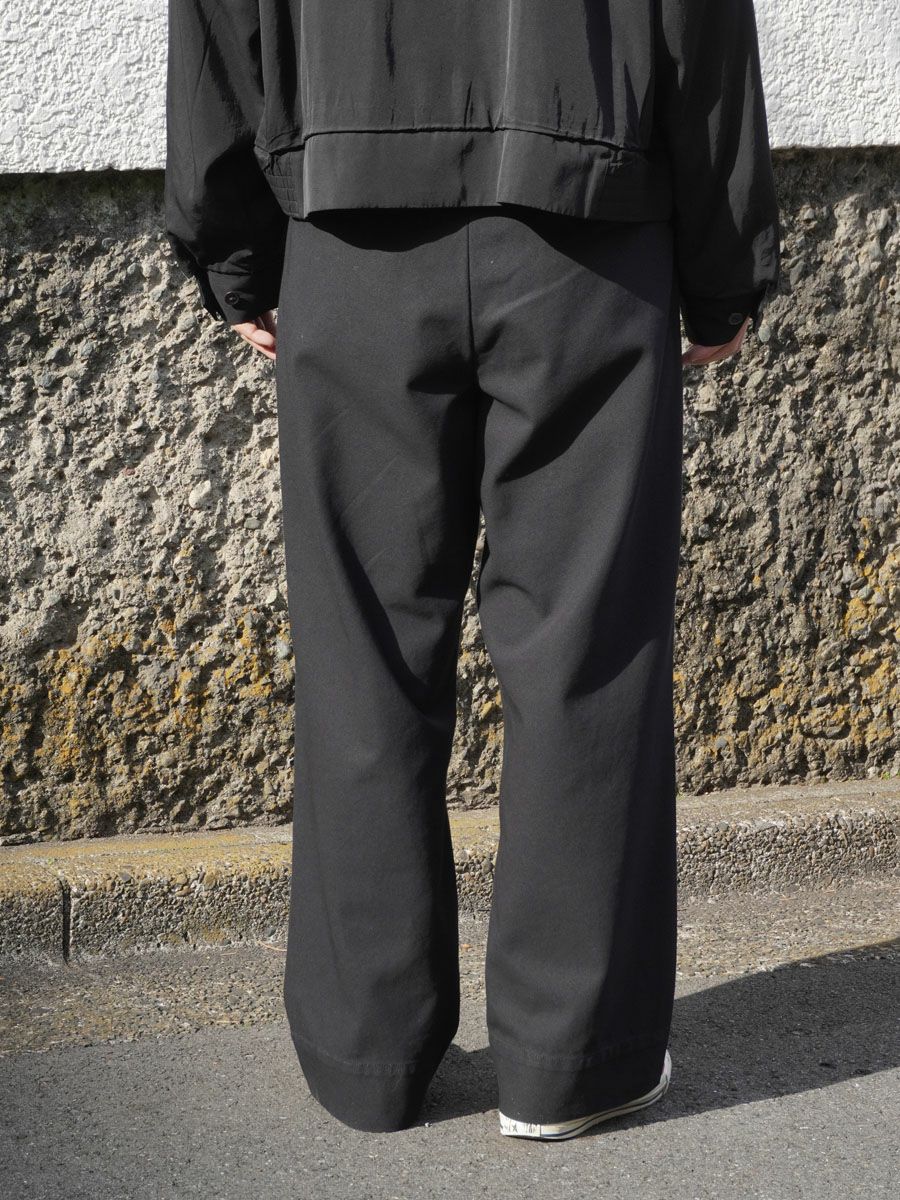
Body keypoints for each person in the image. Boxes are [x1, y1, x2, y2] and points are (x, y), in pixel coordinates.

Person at [165, 0, 780, 1138]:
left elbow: (218, 24)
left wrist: (237, 248)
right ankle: (572, 1060)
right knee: (585, 648)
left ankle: (369, 1055)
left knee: (364, 649)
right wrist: (723, 262)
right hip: (587, 238)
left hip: (351, 236)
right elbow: (701, 27)